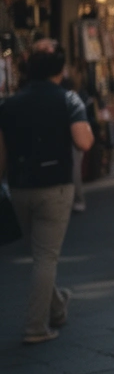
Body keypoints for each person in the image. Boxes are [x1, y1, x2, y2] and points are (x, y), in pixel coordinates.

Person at [0, 43, 94, 343]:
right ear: (60, 70)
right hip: (55, 184)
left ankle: (57, 307)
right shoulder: (68, 99)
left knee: (39, 254)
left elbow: (0, 154)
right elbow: (84, 142)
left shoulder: (9, 104)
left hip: (19, 186)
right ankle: (35, 327)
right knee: (46, 258)